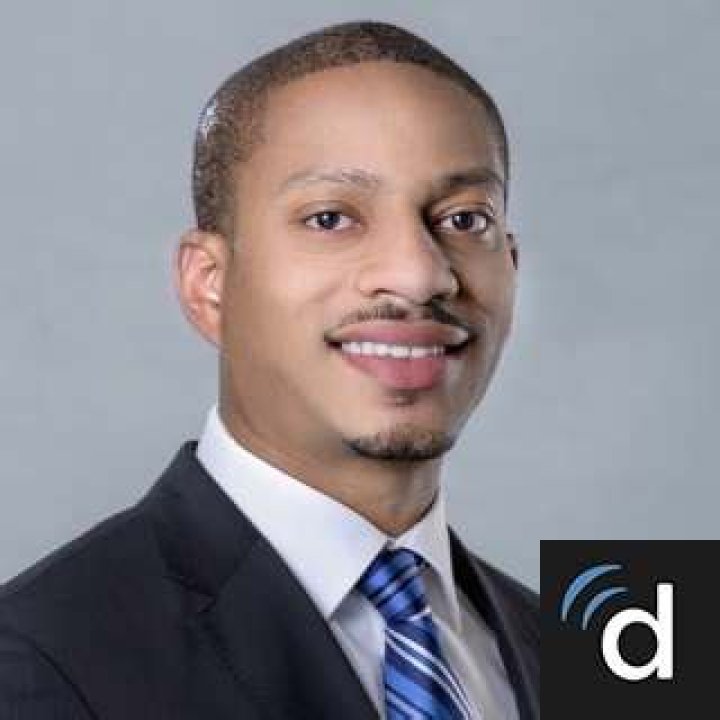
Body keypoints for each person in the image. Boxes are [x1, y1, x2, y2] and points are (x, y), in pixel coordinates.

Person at [0, 20, 539, 720]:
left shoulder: (605, 649)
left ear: (512, 266)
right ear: (210, 284)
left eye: (465, 220)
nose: (418, 274)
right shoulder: (39, 659)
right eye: (330, 218)